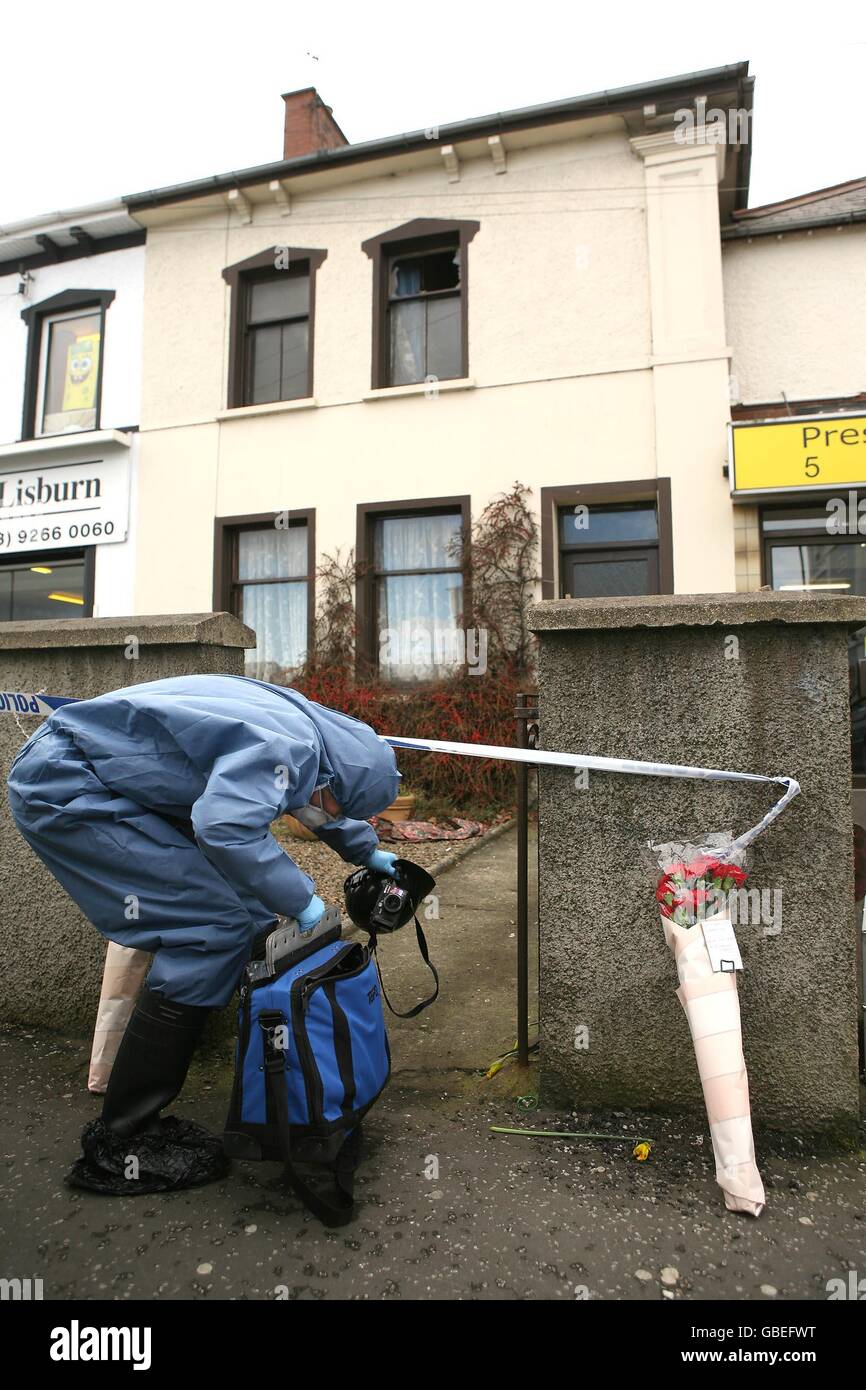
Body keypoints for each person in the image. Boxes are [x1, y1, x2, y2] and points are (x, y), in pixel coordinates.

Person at [6, 674, 400, 1190]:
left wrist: (365, 850)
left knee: (252, 919)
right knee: (208, 930)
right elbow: (224, 828)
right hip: (66, 786)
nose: (331, 814)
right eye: (341, 807)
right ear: (333, 780)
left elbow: (314, 796)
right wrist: (303, 902)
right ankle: (122, 1138)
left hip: (97, 772)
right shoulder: (292, 748)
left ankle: (279, 1082)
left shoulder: (308, 730)